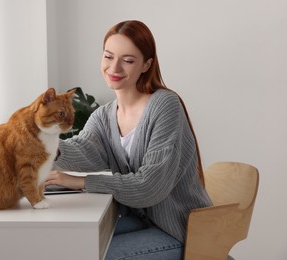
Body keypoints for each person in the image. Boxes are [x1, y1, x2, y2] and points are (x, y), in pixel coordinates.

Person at [45, 20, 212, 260]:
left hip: (180, 230)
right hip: (143, 221)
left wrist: (80, 182)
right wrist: (35, 145)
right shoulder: (104, 115)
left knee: (94, 254)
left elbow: (149, 187)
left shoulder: (165, 105)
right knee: (70, 244)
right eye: (108, 56)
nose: (114, 68)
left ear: (147, 64)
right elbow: (83, 151)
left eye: (128, 60)